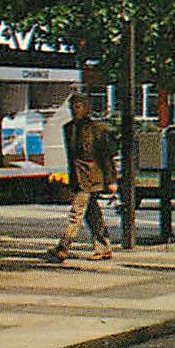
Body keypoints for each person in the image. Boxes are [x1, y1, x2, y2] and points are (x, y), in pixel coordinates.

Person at [46, 93, 117, 263]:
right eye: (72, 107)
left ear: (86, 108)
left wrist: (111, 180)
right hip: (78, 178)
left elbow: (105, 156)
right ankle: (103, 247)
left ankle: (63, 247)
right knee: (92, 213)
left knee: (76, 213)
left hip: (91, 177)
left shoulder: (96, 129)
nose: (74, 110)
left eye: (78, 106)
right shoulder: (68, 128)